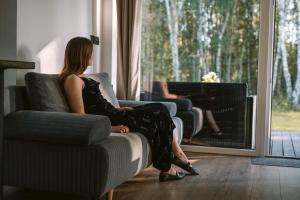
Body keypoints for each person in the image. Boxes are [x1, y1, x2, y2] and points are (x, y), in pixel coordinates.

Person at [59, 37, 198, 182]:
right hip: (109, 120)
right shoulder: (72, 80)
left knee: (159, 108)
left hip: (114, 113)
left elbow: (97, 104)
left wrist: (118, 108)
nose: (92, 56)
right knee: (158, 112)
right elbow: (80, 115)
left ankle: (175, 157)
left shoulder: (82, 77)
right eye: (90, 53)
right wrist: (111, 128)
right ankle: (173, 162)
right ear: (81, 54)